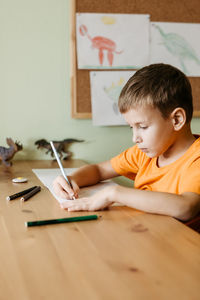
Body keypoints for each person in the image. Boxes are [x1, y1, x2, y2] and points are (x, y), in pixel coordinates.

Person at [53, 63, 200, 221]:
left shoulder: (195, 159)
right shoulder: (143, 154)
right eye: (132, 127)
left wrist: (114, 193)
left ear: (177, 119)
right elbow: (99, 170)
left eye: (142, 126)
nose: (135, 138)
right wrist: (72, 179)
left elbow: (186, 207)